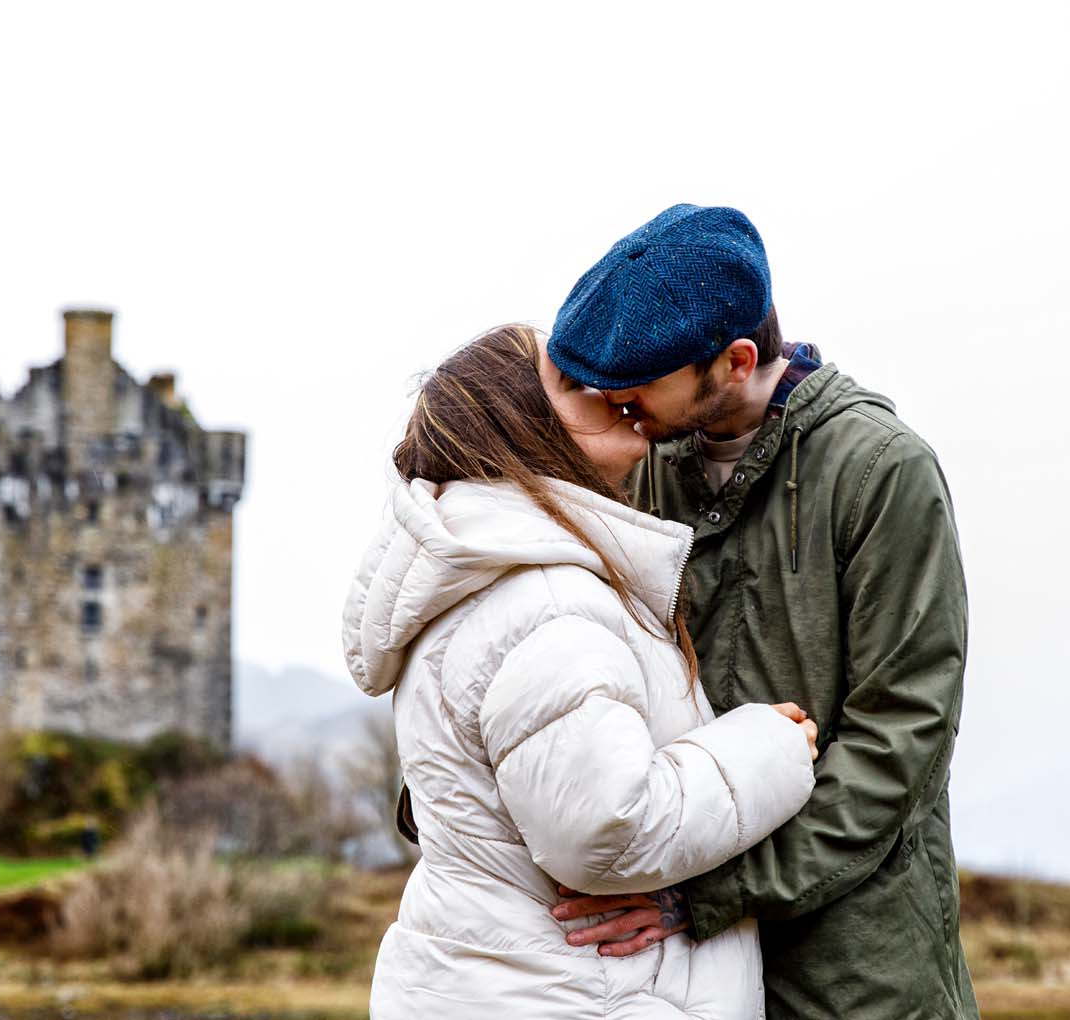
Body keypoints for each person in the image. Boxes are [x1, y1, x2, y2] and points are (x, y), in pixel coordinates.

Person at [545, 204, 978, 1019]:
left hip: (854, 978)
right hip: (679, 976)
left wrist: (710, 892)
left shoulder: (883, 473)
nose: (616, 395)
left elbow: (899, 741)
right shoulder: (639, 465)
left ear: (736, 359)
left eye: (643, 378)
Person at [343, 323, 820, 1018]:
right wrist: (769, 750)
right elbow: (606, 827)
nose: (611, 386)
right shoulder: (546, 601)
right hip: (582, 994)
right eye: (571, 380)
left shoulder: (503, 574)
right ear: (524, 425)